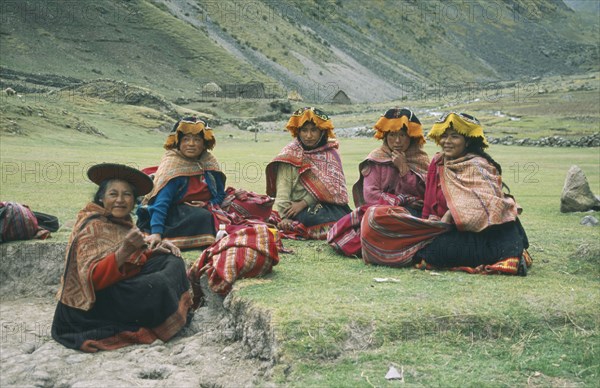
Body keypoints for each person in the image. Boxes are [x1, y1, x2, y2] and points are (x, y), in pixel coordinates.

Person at [361, 112, 532, 274]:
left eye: (455, 136)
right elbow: (428, 201)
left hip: (477, 232)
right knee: (376, 217)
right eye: (444, 136)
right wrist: (429, 224)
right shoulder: (438, 161)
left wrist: (452, 213)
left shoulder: (479, 165)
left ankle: (510, 255)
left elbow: (489, 206)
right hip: (442, 228)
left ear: (468, 141)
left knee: (432, 252)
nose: (447, 141)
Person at [52, 163, 192, 352]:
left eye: (127, 194)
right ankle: (161, 319)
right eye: (113, 194)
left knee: (171, 260)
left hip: (120, 283)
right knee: (157, 284)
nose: (120, 200)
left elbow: (136, 258)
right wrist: (124, 251)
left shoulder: (122, 223)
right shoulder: (91, 227)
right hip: (94, 305)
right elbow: (93, 280)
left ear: (134, 200)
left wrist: (154, 250)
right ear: (101, 197)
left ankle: (167, 311)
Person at [328, 108, 429, 256]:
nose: (397, 141)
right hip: (383, 213)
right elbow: (371, 196)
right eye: (392, 135)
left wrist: (404, 169)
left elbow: (425, 194)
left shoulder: (420, 160)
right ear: (385, 136)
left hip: (413, 215)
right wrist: (401, 200)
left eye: (402, 135)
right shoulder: (376, 159)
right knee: (377, 220)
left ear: (411, 137)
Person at [137, 117, 226, 249]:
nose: (191, 144)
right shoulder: (173, 166)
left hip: (202, 208)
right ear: (178, 142)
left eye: (197, 139)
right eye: (186, 139)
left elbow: (219, 194)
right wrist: (156, 232)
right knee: (203, 217)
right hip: (172, 212)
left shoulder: (209, 163)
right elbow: (161, 202)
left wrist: (208, 204)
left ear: (204, 144)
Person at [266, 107, 351, 239]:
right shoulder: (290, 155)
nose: (308, 136)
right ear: (298, 132)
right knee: (319, 219)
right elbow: (283, 190)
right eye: (304, 130)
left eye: (313, 130)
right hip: (298, 209)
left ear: (322, 132)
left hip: (326, 205)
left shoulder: (330, 153)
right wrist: (285, 217)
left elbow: (335, 189)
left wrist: (304, 202)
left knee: (346, 217)